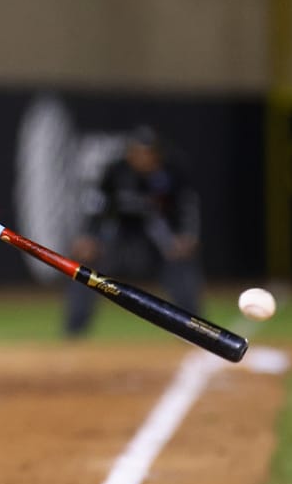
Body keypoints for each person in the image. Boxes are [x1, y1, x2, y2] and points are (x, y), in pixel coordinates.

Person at [64, 125, 203, 336]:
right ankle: (74, 333)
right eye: (136, 152)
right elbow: (95, 208)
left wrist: (187, 237)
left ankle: (194, 331)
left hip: (157, 243)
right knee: (84, 266)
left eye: (147, 152)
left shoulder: (172, 173)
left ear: (157, 154)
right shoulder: (115, 172)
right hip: (119, 240)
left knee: (181, 262)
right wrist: (88, 238)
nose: (141, 158)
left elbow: (187, 208)